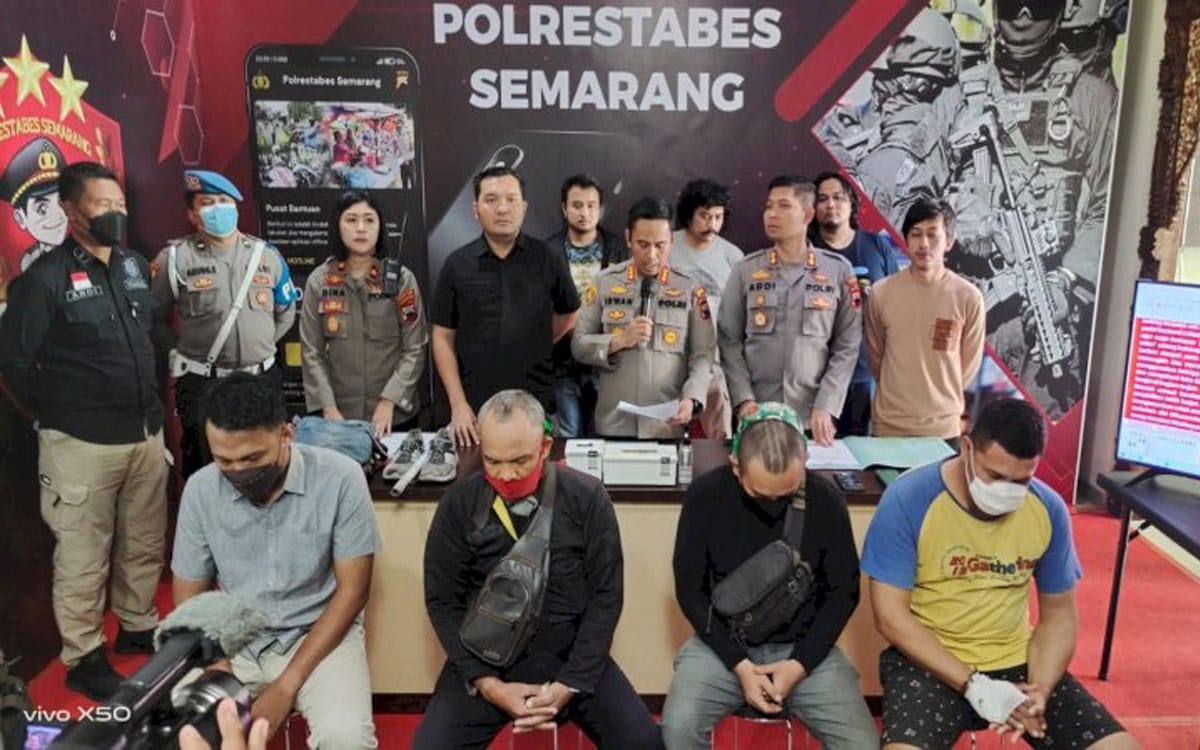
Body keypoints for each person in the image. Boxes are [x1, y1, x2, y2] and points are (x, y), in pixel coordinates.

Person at [862, 398, 1138, 750]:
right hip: (928, 663)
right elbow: (890, 616)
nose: (1006, 491)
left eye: (1021, 480)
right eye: (994, 476)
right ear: (966, 449)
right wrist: (975, 685)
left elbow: (1059, 616)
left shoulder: (1048, 508)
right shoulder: (909, 497)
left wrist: (1040, 690)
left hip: (1016, 661)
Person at [0, 162, 168, 700]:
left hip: (144, 433)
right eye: (103, 205)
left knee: (143, 542)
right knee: (82, 556)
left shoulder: (134, 266)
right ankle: (84, 655)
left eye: (121, 204)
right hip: (81, 444)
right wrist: (57, 412)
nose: (116, 213)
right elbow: (14, 363)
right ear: (71, 211)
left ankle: (138, 625)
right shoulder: (43, 280)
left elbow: (149, 337)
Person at [415, 389, 662, 750]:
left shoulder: (586, 497)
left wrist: (571, 682)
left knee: (643, 743)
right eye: (493, 461)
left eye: (520, 461)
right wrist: (488, 685)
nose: (506, 475)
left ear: (545, 447)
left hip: (571, 657)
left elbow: (606, 597)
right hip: (485, 659)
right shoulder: (459, 503)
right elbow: (442, 601)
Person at [171, 372, 379, 747]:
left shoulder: (341, 479)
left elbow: (353, 593)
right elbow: (189, 597)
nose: (238, 471)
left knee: (347, 738)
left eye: (252, 458)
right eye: (224, 460)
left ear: (286, 434)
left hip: (318, 637)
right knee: (178, 734)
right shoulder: (201, 490)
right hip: (233, 642)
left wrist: (286, 685)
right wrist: (218, 670)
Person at [662, 402, 879, 749]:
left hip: (803, 647)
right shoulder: (705, 496)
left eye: (788, 492)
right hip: (723, 644)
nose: (774, 503)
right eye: (761, 494)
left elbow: (843, 593)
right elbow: (690, 591)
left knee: (861, 744)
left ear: (805, 460)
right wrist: (740, 665)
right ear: (736, 466)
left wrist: (800, 664)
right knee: (678, 729)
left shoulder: (825, 499)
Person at [151, 169, 298, 478]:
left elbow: (286, 311)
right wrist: (180, 353)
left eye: (224, 201)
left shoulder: (266, 256)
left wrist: (262, 345)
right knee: (206, 467)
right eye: (207, 203)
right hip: (204, 383)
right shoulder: (175, 259)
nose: (218, 208)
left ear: (235, 207)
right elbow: (155, 318)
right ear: (192, 214)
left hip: (261, 378)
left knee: (269, 465)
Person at [432, 166, 580, 447]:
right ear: (475, 209)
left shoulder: (547, 257)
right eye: (491, 200)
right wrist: (458, 404)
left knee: (537, 471)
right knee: (476, 474)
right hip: (474, 409)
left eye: (511, 199)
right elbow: (442, 337)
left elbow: (570, 312)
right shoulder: (457, 264)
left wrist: (534, 341)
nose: (502, 208)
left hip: (536, 403)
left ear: (524, 206)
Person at [718, 175, 862, 446]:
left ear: (807, 214)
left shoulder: (838, 270)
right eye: (768, 206)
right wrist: (744, 400)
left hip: (812, 419)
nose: (772, 214)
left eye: (783, 206)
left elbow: (848, 344)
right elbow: (728, 339)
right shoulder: (746, 270)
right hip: (756, 414)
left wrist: (827, 404)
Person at [571, 197, 715, 439]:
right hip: (614, 424)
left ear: (672, 241)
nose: (651, 255)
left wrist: (692, 398)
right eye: (643, 244)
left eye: (660, 245)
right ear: (628, 238)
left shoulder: (690, 288)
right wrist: (618, 340)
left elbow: (703, 354)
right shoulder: (604, 282)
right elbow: (579, 345)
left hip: (667, 426)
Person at [300, 190, 427, 437]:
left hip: (394, 416)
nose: (361, 228)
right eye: (351, 220)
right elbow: (311, 352)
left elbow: (415, 347)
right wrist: (328, 408)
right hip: (338, 416)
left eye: (369, 220)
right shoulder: (320, 281)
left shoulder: (400, 279)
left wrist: (390, 400)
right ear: (338, 226)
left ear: (380, 227)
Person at [866, 199, 984, 438]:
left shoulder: (968, 297)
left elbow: (968, 365)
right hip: (889, 427)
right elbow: (876, 357)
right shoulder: (881, 293)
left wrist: (940, 398)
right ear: (906, 240)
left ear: (949, 241)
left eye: (932, 234)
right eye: (916, 234)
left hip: (943, 430)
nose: (924, 244)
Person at [809, 171, 902, 435]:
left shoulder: (876, 246)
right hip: (814, 380)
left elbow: (896, 308)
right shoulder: (804, 250)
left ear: (852, 204)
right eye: (822, 199)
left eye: (838, 197)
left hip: (864, 376)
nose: (831, 204)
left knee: (859, 453)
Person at [545, 173, 628, 438]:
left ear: (600, 209)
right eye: (577, 205)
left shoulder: (617, 249)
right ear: (564, 209)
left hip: (603, 360)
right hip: (562, 361)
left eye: (591, 205)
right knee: (566, 435)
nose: (584, 212)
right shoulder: (548, 251)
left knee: (604, 434)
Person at [670, 178, 743, 439]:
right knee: (668, 432)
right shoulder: (666, 246)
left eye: (718, 217)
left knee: (719, 439)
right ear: (689, 214)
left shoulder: (733, 257)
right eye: (704, 216)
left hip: (715, 363)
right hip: (671, 360)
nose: (712, 224)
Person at [0, 137, 68, 273]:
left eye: (61, 202)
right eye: (42, 209)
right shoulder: (29, 260)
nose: (59, 215)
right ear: (20, 218)